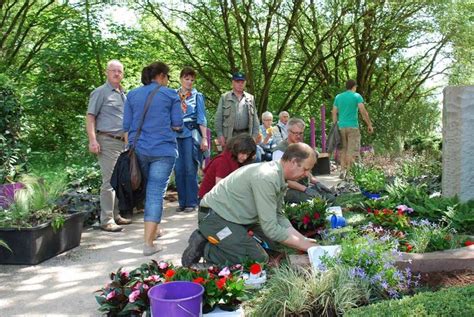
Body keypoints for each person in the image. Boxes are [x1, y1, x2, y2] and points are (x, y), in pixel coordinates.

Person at [181, 143, 319, 267]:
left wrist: (303, 240)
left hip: (237, 218)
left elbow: (278, 216)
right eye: (306, 169)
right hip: (215, 218)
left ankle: (230, 241)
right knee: (257, 258)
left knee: (272, 245)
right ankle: (205, 247)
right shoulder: (267, 177)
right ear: (294, 162)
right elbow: (271, 228)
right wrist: (305, 246)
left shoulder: (279, 176)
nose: (307, 175)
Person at [123, 61, 183, 256]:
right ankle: (148, 244)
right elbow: (177, 124)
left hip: (140, 149)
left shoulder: (131, 95)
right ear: (161, 76)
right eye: (167, 77)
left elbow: (127, 125)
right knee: (156, 192)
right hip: (163, 150)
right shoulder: (170, 94)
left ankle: (155, 231)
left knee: (151, 189)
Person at [86, 59, 131, 232]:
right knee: (109, 181)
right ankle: (106, 219)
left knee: (118, 180)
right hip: (106, 140)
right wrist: (92, 140)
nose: (116, 74)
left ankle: (116, 214)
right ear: (107, 72)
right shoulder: (100, 92)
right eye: (113, 70)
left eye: (119, 71)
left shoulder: (123, 94)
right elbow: (90, 117)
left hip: (122, 143)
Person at [272, 118, 335, 203]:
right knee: (317, 202)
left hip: (303, 187)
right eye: (295, 133)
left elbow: (306, 171)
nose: (298, 136)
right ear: (288, 131)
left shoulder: (301, 147)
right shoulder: (280, 151)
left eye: (300, 133)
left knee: (330, 197)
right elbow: (281, 178)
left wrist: (317, 183)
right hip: (287, 190)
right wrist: (305, 189)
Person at [174, 67, 208, 213]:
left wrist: (204, 138)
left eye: (192, 80)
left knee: (190, 167)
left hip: (191, 134)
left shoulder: (197, 95)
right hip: (175, 135)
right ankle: (182, 202)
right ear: (181, 79)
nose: (189, 82)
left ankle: (192, 202)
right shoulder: (173, 95)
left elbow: (201, 118)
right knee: (178, 168)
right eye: (187, 79)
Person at [332, 79, 373, 179]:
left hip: (341, 127)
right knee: (352, 150)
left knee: (343, 149)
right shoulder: (356, 96)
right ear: (354, 86)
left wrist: (335, 125)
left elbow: (334, 112)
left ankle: (342, 171)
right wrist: (369, 125)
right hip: (353, 127)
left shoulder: (338, 97)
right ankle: (349, 173)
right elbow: (363, 112)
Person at [198, 134, 256, 200]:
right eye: (243, 153)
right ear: (236, 149)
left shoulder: (237, 160)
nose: (245, 157)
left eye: (248, 154)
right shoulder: (223, 161)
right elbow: (220, 189)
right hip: (208, 201)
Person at [214, 71, 259, 148]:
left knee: (246, 158)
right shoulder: (224, 97)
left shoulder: (250, 98)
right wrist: (220, 135)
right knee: (230, 158)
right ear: (233, 82)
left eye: (242, 82)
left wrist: (254, 137)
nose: (240, 84)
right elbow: (218, 118)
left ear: (245, 83)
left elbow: (255, 120)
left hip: (246, 136)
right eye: (237, 81)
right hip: (229, 136)